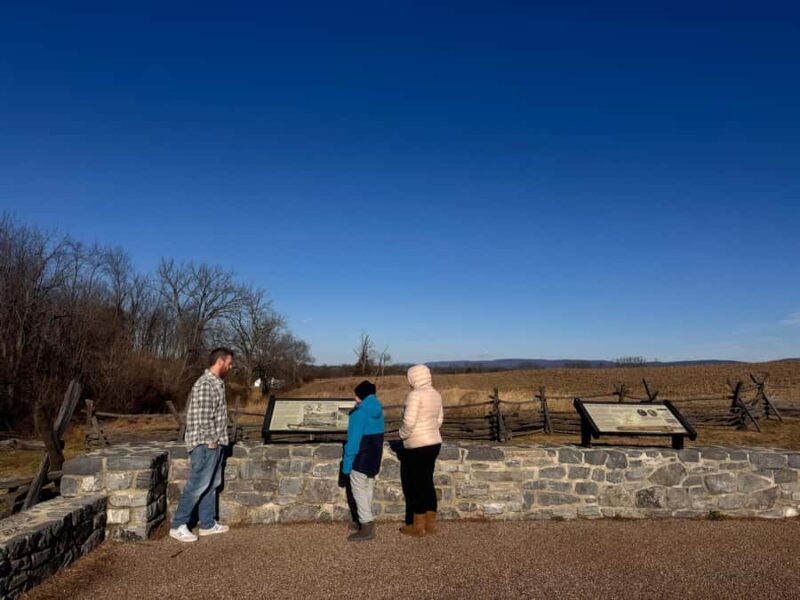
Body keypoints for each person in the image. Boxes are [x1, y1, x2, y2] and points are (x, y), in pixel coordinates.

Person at [169, 347, 234, 543]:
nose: (231, 367)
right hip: (206, 444)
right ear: (220, 361)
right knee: (198, 484)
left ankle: (207, 524)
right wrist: (211, 440)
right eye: (229, 363)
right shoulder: (206, 383)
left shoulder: (216, 383)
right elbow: (204, 417)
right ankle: (178, 525)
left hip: (214, 443)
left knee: (211, 484)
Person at [399, 364, 443, 537]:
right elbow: (439, 420)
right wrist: (430, 430)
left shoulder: (414, 395)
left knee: (415, 484)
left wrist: (402, 434)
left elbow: (409, 422)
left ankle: (417, 526)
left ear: (413, 378)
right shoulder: (436, 394)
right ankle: (430, 523)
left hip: (417, 444)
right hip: (434, 442)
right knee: (427, 482)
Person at [341, 380, 385, 542]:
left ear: (361, 395)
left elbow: (352, 443)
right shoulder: (379, 411)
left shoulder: (358, 413)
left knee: (358, 490)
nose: (355, 398)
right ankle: (364, 520)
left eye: (357, 395)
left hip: (360, 458)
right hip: (374, 457)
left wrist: (346, 466)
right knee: (368, 488)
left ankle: (366, 526)